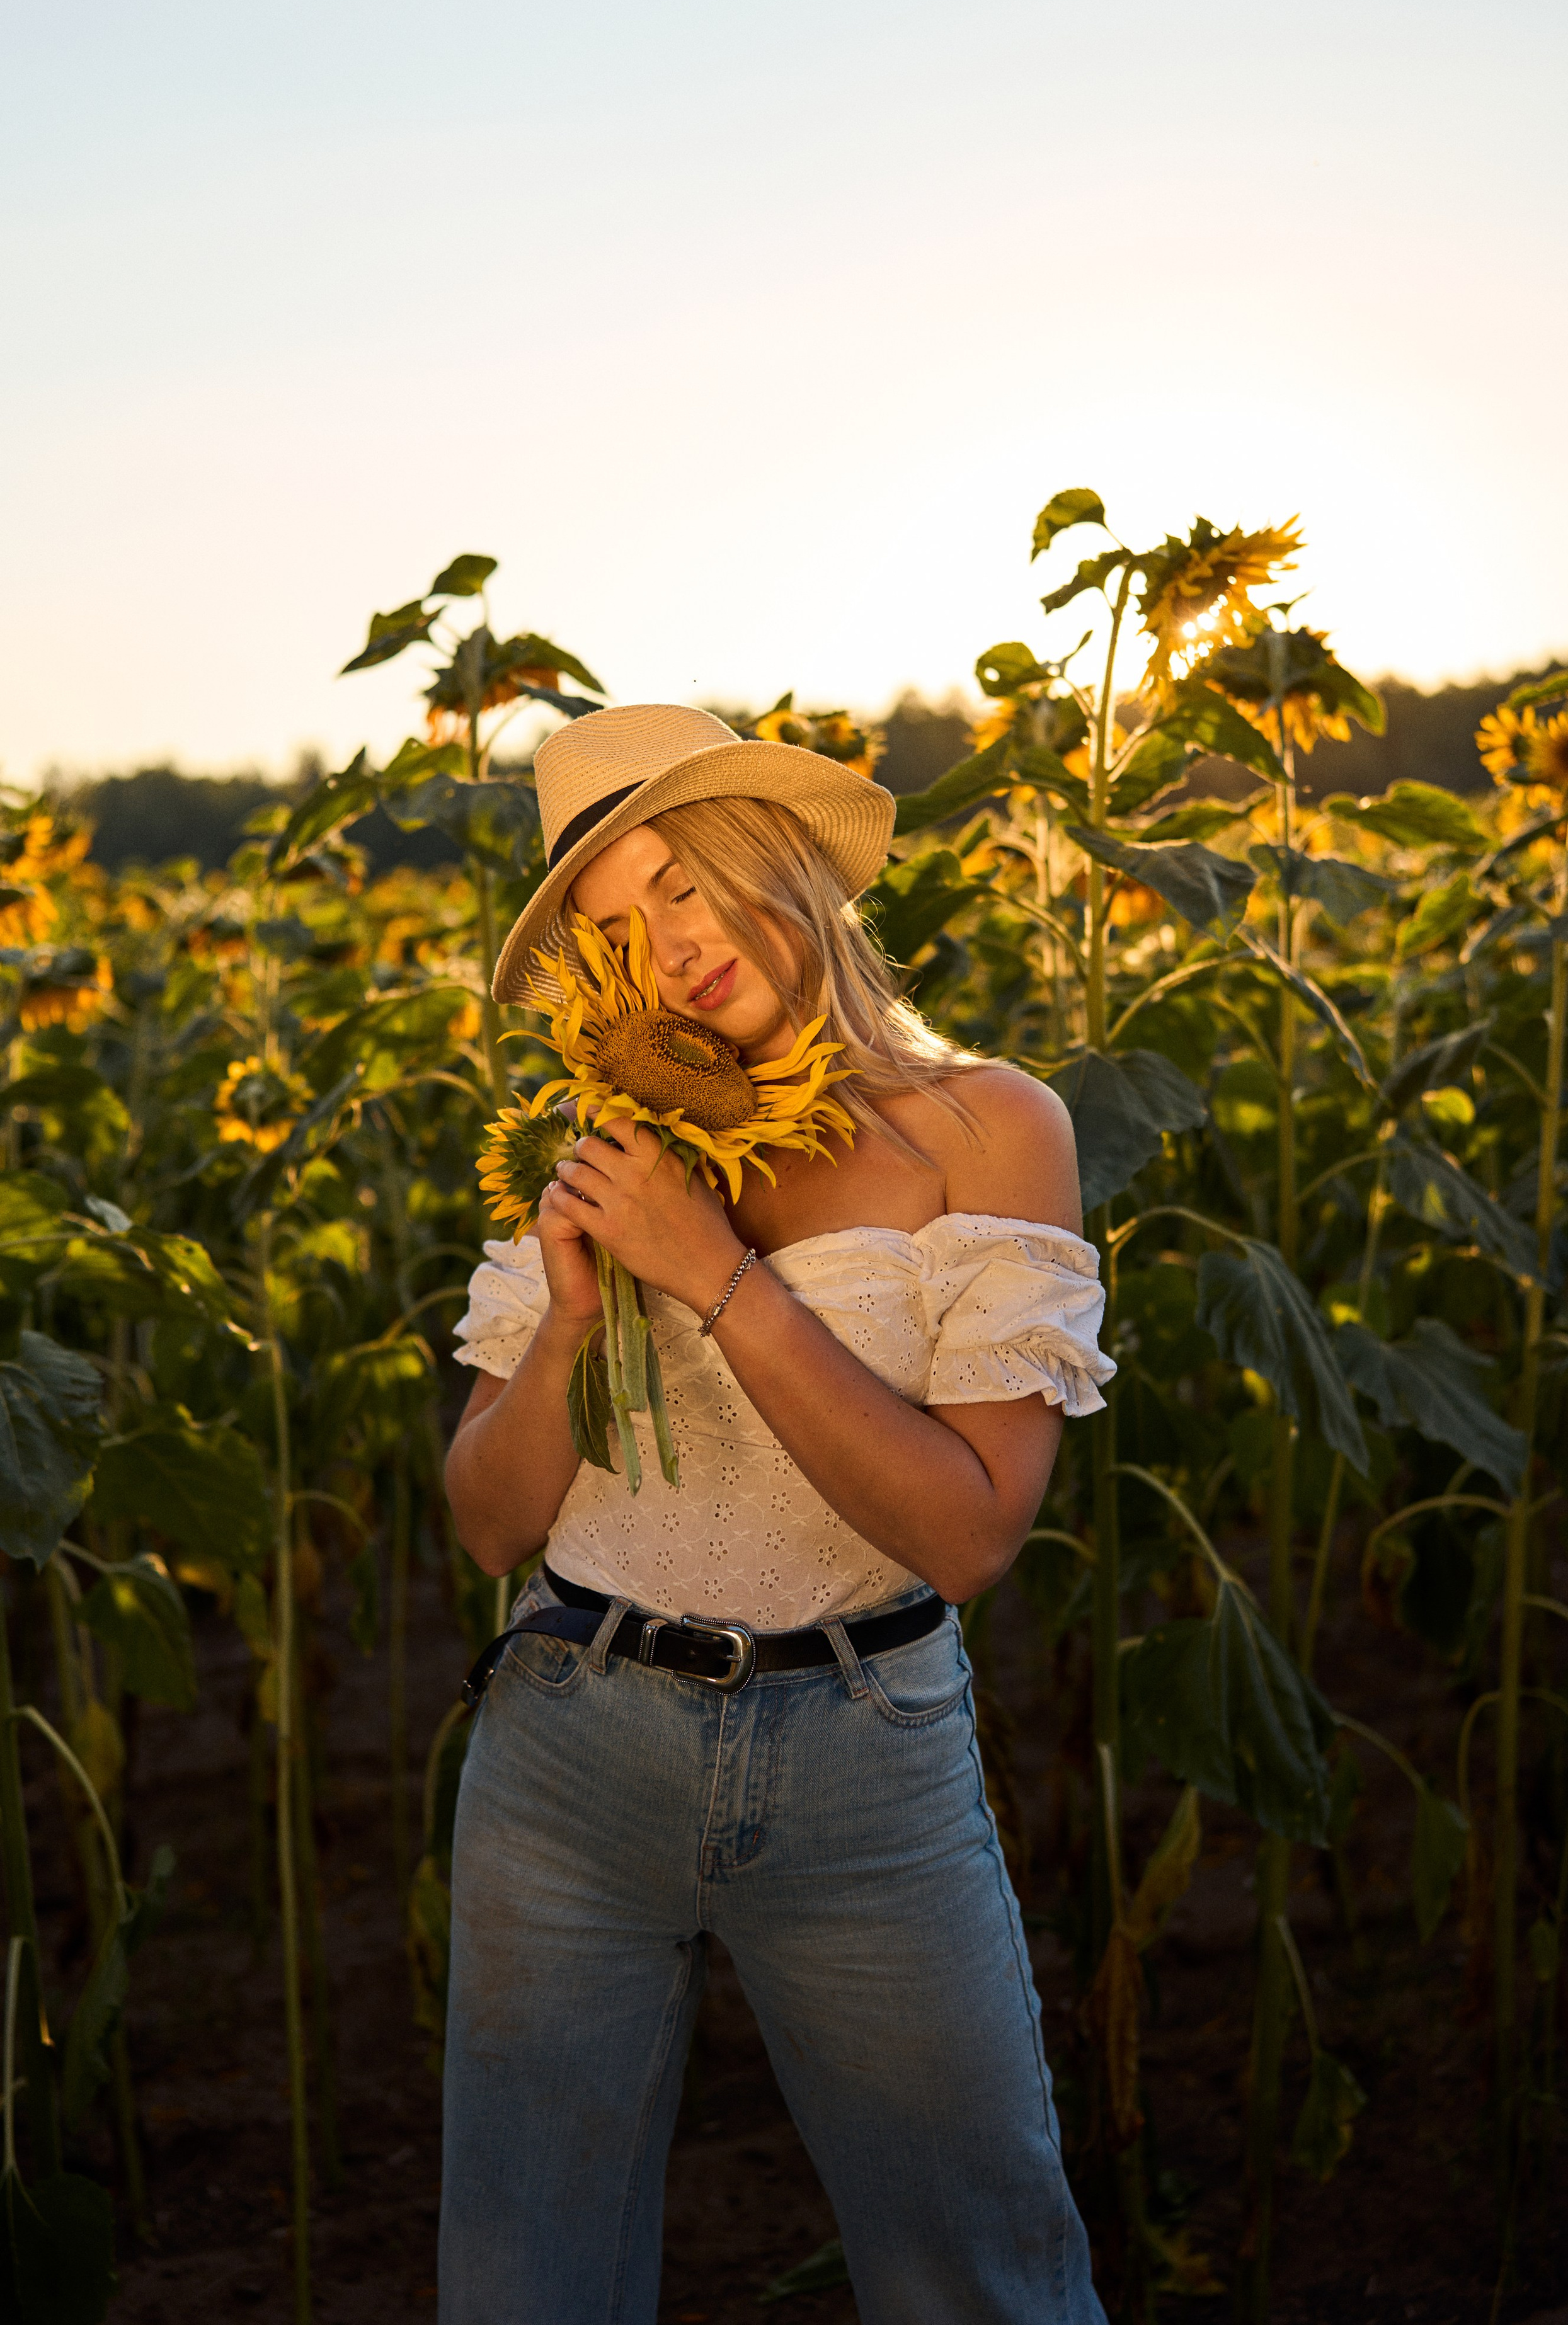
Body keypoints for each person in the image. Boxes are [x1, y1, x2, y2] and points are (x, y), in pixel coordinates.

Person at [439, 702, 1113, 2325]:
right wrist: (584, 1314)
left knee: (979, 2267)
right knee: (529, 2276)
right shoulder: (617, 1145)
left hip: (861, 1757)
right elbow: (483, 1523)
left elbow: (968, 1534)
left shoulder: (991, 1128)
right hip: (569, 1745)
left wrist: (717, 1277)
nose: (667, 952)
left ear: (780, 852)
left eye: (681, 882)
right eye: (616, 932)